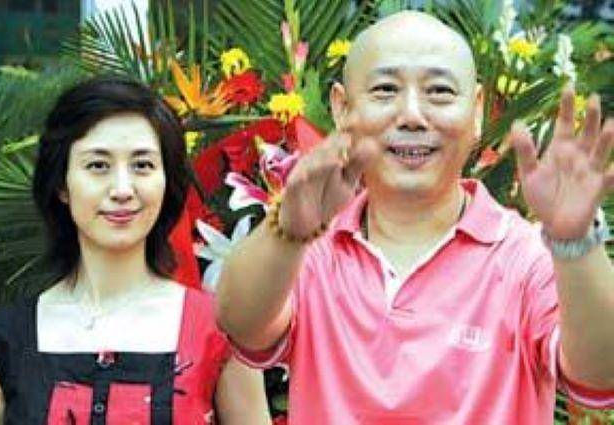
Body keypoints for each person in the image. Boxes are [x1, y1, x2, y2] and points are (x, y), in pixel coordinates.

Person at [217, 11, 614, 424]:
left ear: (476, 110)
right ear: (342, 108)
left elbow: (602, 374)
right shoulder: (312, 251)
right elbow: (239, 324)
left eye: (439, 91)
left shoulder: (523, 257)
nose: (411, 115)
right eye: (385, 90)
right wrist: (287, 232)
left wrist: (576, 244)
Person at [0, 77, 271, 424]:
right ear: (61, 184)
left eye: (142, 165)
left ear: (167, 182)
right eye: (98, 166)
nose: (122, 189)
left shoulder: (219, 332)